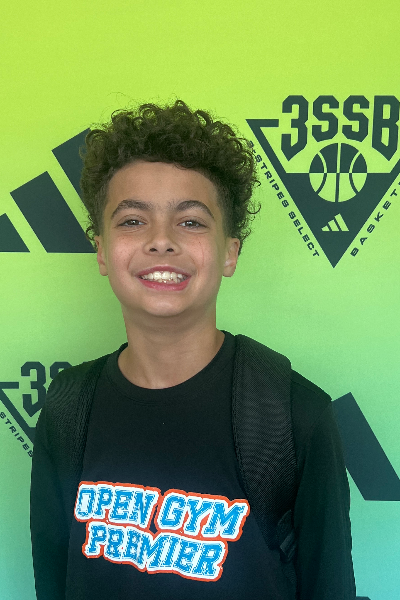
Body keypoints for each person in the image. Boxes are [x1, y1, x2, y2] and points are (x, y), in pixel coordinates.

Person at [30, 99, 356, 600]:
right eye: (132, 220)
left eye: (191, 222)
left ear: (230, 252)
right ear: (101, 251)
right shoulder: (68, 407)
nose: (161, 241)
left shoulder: (293, 415)